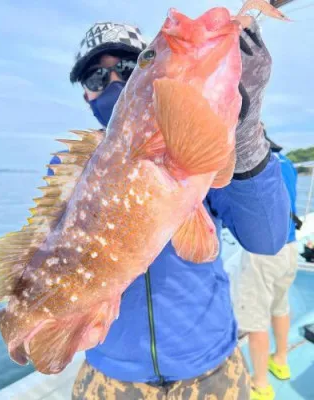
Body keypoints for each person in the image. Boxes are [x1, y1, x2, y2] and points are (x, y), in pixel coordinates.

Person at [48, 20, 290, 400]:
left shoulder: (198, 151)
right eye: (96, 78)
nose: (112, 82)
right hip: (109, 374)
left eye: (128, 69)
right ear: (86, 96)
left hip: (211, 368)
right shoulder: (70, 165)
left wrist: (243, 138)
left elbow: (269, 238)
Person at [234, 131, 299, 400]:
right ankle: (281, 361)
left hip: (262, 253)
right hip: (291, 247)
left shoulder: (255, 166)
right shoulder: (286, 162)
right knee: (280, 306)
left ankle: (260, 383)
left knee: (255, 319)